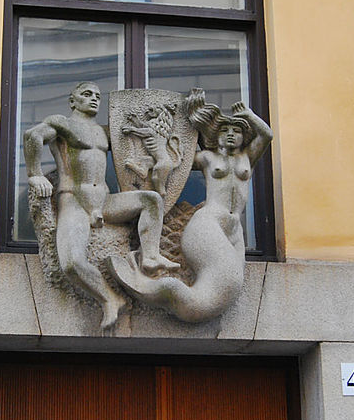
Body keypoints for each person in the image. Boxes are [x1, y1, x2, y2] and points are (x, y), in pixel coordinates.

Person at [24, 82, 179, 330]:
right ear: (72, 101)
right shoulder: (62, 123)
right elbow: (33, 136)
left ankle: (150, 256)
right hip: (74, 199)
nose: (94, 99)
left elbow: (141, 137)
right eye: (87, 94)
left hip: (105, 201)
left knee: (151, 199)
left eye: (97, 95)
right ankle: (109, 298)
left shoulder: (105, 132)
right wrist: (35, 174)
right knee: (71, 263)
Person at [109, 88, 273, 322]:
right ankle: (147, 283)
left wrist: (249, 115)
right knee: (226, 279)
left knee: (229, 287)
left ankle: (158, 287)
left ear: (243, 136)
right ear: (215, 135)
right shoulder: (207, 158)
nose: (230, 134)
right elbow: (178, 163)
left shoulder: (248, 157)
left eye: (236, 131)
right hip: (209, 221)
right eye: (224, 130)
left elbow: (266, 135)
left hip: (234, 229)